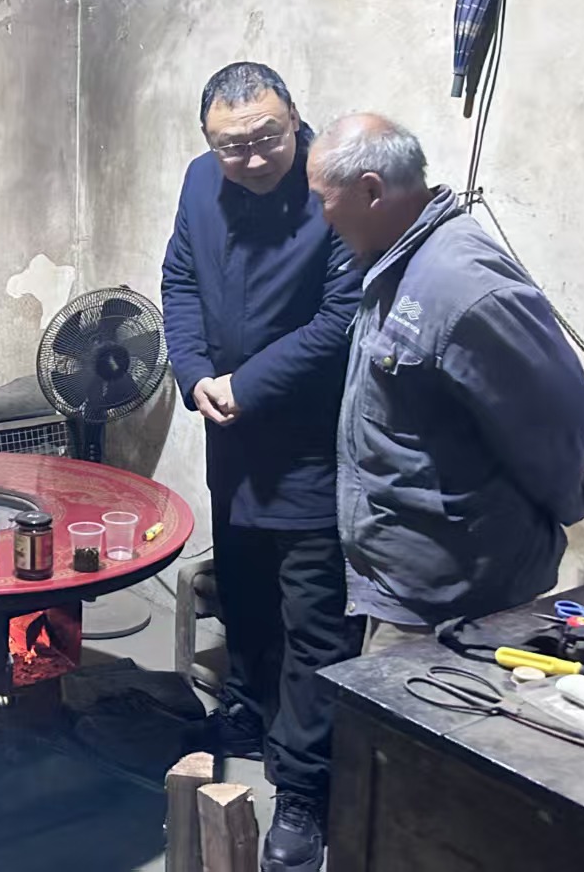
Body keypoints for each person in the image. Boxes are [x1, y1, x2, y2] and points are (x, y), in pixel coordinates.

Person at [161, 63, 364, 872]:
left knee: (314, 620)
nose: (248, 158)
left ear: (295, 121)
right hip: (230, 438)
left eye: (266, 139)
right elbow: (179, 279)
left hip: (309, 446)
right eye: (230, 145)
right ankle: (245, 711)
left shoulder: (334, 188)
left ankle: (305, 786)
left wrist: (246, 383)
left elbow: (341, 318)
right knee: (243, 590)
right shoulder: (198, 183)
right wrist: (193, 374)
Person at [304, 114, 584, 653]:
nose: (320, 217)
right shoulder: (394, 265)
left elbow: (562, 420)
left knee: (404, 709)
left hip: (457, 599)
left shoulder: (463, 286)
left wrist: (568, 501)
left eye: (322, 199)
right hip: (407, 584)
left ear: (370, 191)